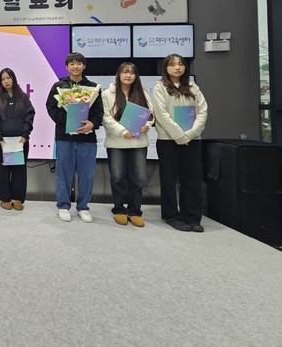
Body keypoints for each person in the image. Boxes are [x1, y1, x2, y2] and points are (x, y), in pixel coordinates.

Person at [152, 53, 209, 232]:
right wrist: (180, 136)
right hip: (168, 140)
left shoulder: (192, 86)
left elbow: (203, 111)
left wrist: (190, 134)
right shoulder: (160, 87)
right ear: (166, 68)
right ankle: (171, 215)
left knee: (192, 178)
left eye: (180, 64)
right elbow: (161, 114)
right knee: (169, 179)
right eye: (173, 64)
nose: (177, 67)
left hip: (192, 139)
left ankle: (192, 216)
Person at [46, 52, 103, 223]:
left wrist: (92, 124)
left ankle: (83, 207)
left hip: (87, 138)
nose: (75, 66)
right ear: (66, 67)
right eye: (72, 63)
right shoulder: (59, 86)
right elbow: (51, 108)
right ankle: (63, 206)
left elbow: (99, 113)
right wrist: (69, 121)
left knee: (87, 174)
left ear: (84, 66)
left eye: (79, 63)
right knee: (64, 173)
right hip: (65, 137)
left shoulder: (93, 88)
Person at [101, 62, 154, 227]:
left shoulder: (142, 93)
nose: (128, 75)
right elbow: (106, 118)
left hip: (138, 142)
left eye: (132, 72)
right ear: (118, 74)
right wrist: (123, 131)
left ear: (136, 76)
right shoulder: (107, 94)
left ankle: (135, 210)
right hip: (116, 142)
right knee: (118, 177)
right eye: (125, 72)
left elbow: (150, 115)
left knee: (139, 178)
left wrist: (147, 125)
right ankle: (119, 208)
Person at [0, 68, 35, 211]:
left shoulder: (23, 97)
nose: (6, 81)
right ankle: (5, 198)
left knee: (18, 170)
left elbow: (30, 115)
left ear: (13, 79)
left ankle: (17, 198)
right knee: (2, 170)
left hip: (19, 142)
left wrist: (25, 135)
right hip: (1, 142)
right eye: (3, 79)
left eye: (8, 78)